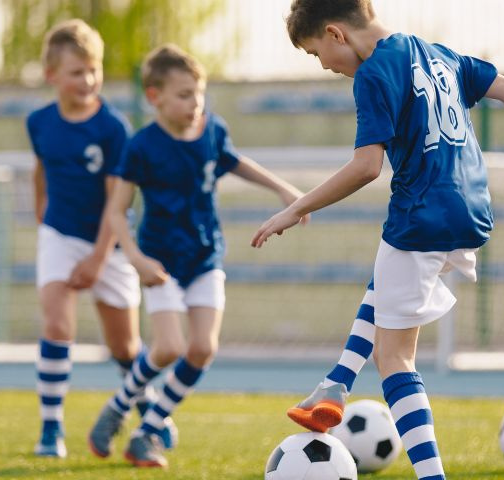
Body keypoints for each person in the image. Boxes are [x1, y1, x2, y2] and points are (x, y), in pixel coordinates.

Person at [251, 1, 504, 478]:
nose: (325, 66)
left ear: (335, 35)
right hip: (470, 210)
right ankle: (335, 385)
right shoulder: (436, 54)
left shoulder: (374, 75)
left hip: (421, 215)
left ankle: (429, 473)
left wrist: (295, 208)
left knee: (394, 357)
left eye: (315, 54)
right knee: (386, 283)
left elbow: (367, 166)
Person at [94, 43, 308, 469]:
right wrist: (135, 258)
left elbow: (236, 162)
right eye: (184, 94)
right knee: (169, 347)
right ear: (155, 97)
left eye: (199, 92)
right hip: (160, 263)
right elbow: (116, 211)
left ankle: (146, 431)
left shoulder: (213, 131)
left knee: (202, 349)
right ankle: (118, 408)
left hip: (206, 256)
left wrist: (284, 190)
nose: (195, 103)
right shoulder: (142, 147)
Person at [25, 19, 167, 458]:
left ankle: (150, 416)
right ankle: (52, 431)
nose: (87, 80)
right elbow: (41, 168)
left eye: (93, 69)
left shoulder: (112, 128)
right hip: (60, 235)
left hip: (109, 241)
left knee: (124, 346)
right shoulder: (39, 122)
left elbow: (116, 204)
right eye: (76, 72)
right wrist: (42, 214)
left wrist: (97, 259)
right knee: (56, 324)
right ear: (52, 76)